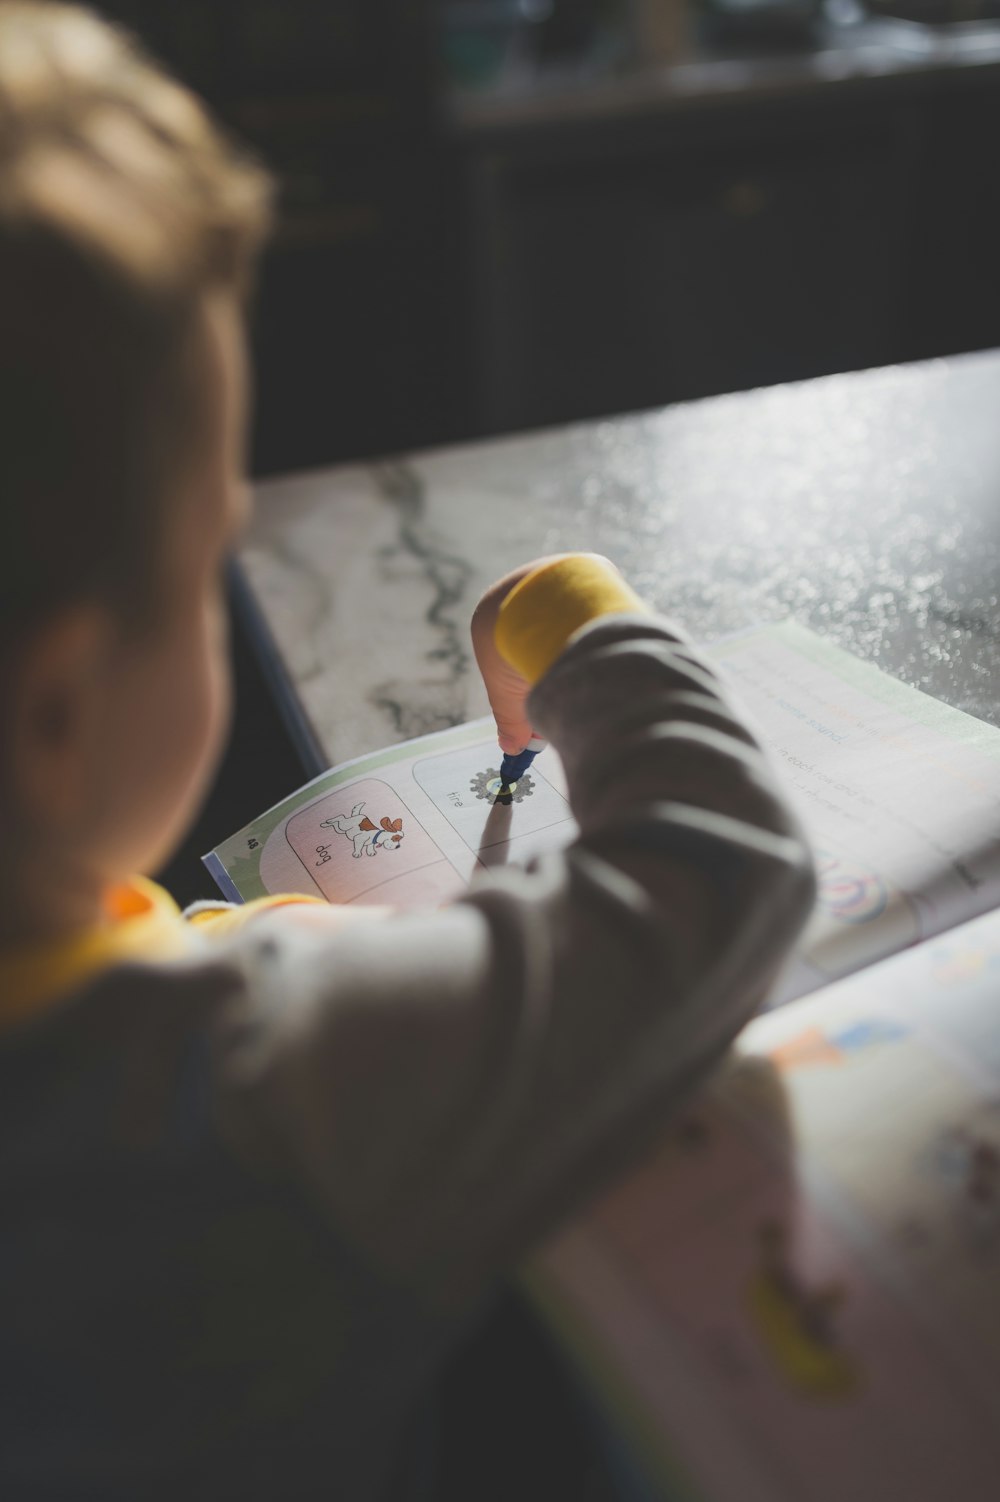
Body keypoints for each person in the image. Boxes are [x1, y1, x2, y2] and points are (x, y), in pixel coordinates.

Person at [0, 5, 816, 1499]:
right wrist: (575, 612)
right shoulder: (277, 1079)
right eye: (209, 563)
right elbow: (724, 861)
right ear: (56, 717)